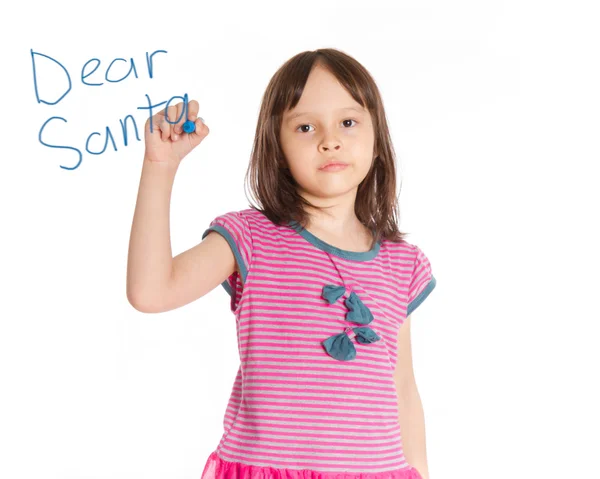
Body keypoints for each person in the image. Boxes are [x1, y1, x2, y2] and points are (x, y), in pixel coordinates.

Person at [127, 48, 437, 479]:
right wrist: (159, 168)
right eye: (306, 127)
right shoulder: (249, 238)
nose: (330, 139)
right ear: (278, 149)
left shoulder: (401, 263)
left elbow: (402, 383)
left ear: (377, 140)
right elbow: (150, 291)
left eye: (348, 122)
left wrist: (419, 470)